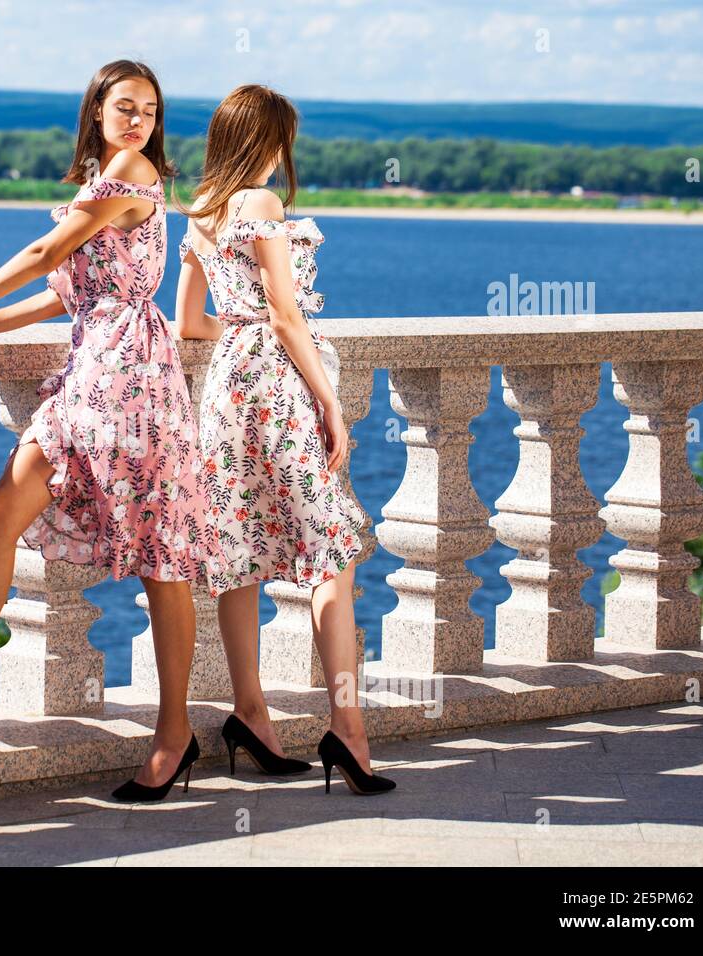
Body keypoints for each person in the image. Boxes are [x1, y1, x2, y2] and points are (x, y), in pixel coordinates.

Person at [0, 59, 220, 802]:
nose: (138, 121)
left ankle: (174, 737)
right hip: (89, 374)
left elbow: (43, 256)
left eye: (149, 110)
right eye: (124, 107)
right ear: (96, 110)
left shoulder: (131, 172)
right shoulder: (103, 185)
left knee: (160, 555)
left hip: (131, 382)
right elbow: (60, 297)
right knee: (3, 511)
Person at [174, 84, 395, 795]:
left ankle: (251, 714)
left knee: (238, 551)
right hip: (276, 384)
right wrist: (329, 402)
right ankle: (348, 731)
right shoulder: (261, 205)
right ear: (264, 141)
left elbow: (190, 323)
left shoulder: (202, 211)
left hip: (227, 386)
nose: (282, 155)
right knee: (332, 553)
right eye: (280, 141)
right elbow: (285, 315)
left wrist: (237, 332)